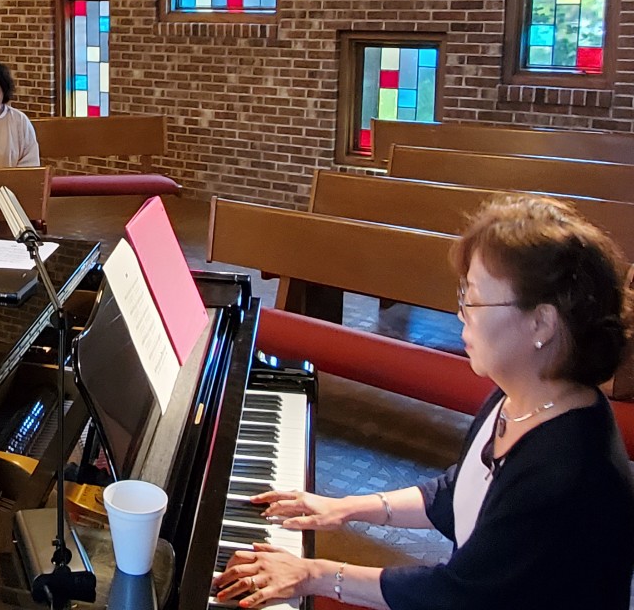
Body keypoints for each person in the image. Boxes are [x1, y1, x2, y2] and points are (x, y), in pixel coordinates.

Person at [214, 195, 634, 610]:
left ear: (541, 323)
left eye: (473, 297)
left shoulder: (566, 469)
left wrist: (315, 574)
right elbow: (456, 494)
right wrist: (342, 508)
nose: (461, 313)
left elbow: (459, 594)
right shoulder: (522, 396)